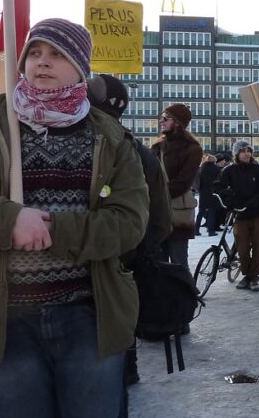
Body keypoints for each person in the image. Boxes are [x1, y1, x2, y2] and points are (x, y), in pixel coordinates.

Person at [0, 18, 148, 418]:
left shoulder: (110, 137)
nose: (43, 62)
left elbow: (129, 222)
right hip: (1, 324)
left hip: (86, 317)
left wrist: (51, 228)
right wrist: (4, 220)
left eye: (58, 54)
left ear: (81, 69)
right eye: (35, 53)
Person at [87, 74, 172, 386]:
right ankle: (127, 367)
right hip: (133, 256)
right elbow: (163, 218)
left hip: (90, 260)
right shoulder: (141, 150)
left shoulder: (88, 148)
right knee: (122, 318)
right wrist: (142, 247)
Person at [213, 140, 259, 292]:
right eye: (243, 151)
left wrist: (254, 201)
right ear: (236, 154)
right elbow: (218, 186)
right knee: (243, 248)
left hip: (257, 213)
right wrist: (228, 197)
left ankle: (254, 277)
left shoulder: (258, 169)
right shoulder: (229, 171)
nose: (247, 154)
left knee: (257, 247)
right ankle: (246, 275)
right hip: (239, 215)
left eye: (249, 151)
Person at [152, 103, 202, 270]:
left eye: (165, 118)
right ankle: (162, 297)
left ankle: (185, 296)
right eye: (161, 118)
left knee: (179, 264)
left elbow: (183, 183)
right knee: (158, 267)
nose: (161, 121)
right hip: (156, 216)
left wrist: (156, 194)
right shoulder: (157, 147)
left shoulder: (193, 149)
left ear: (178, 123)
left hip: (178, 217)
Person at [195, 153, 222, 236]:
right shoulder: (217, 169)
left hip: (203, 192)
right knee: (212, 212)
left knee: (200, 212)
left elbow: (197, 181)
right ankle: (211, 231)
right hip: (213, 192)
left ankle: (196, 230)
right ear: (214, 161)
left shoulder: (201, 169)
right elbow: (220, 181)